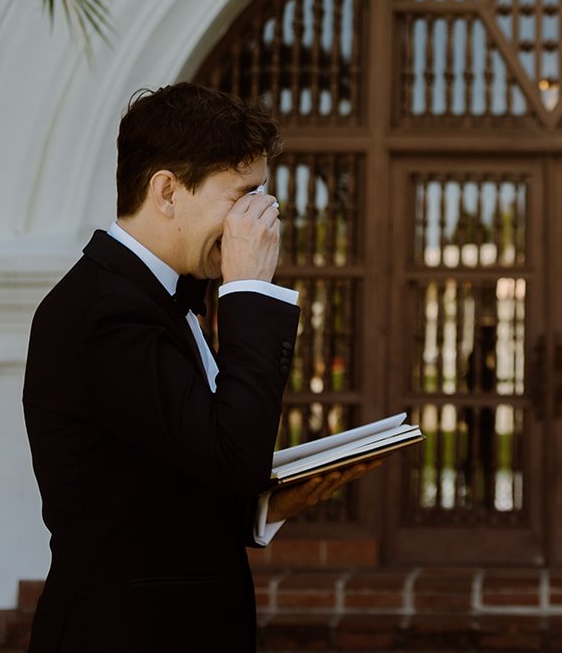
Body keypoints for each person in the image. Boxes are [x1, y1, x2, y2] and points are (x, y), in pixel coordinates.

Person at [23, 83, 371, 652]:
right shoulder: (104, 312)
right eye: (244, 195)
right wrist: (251, 289)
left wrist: (267, 505)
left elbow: (175, 477)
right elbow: (230, 460)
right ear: (167, 191)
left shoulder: (160, 298)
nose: (262, 217)